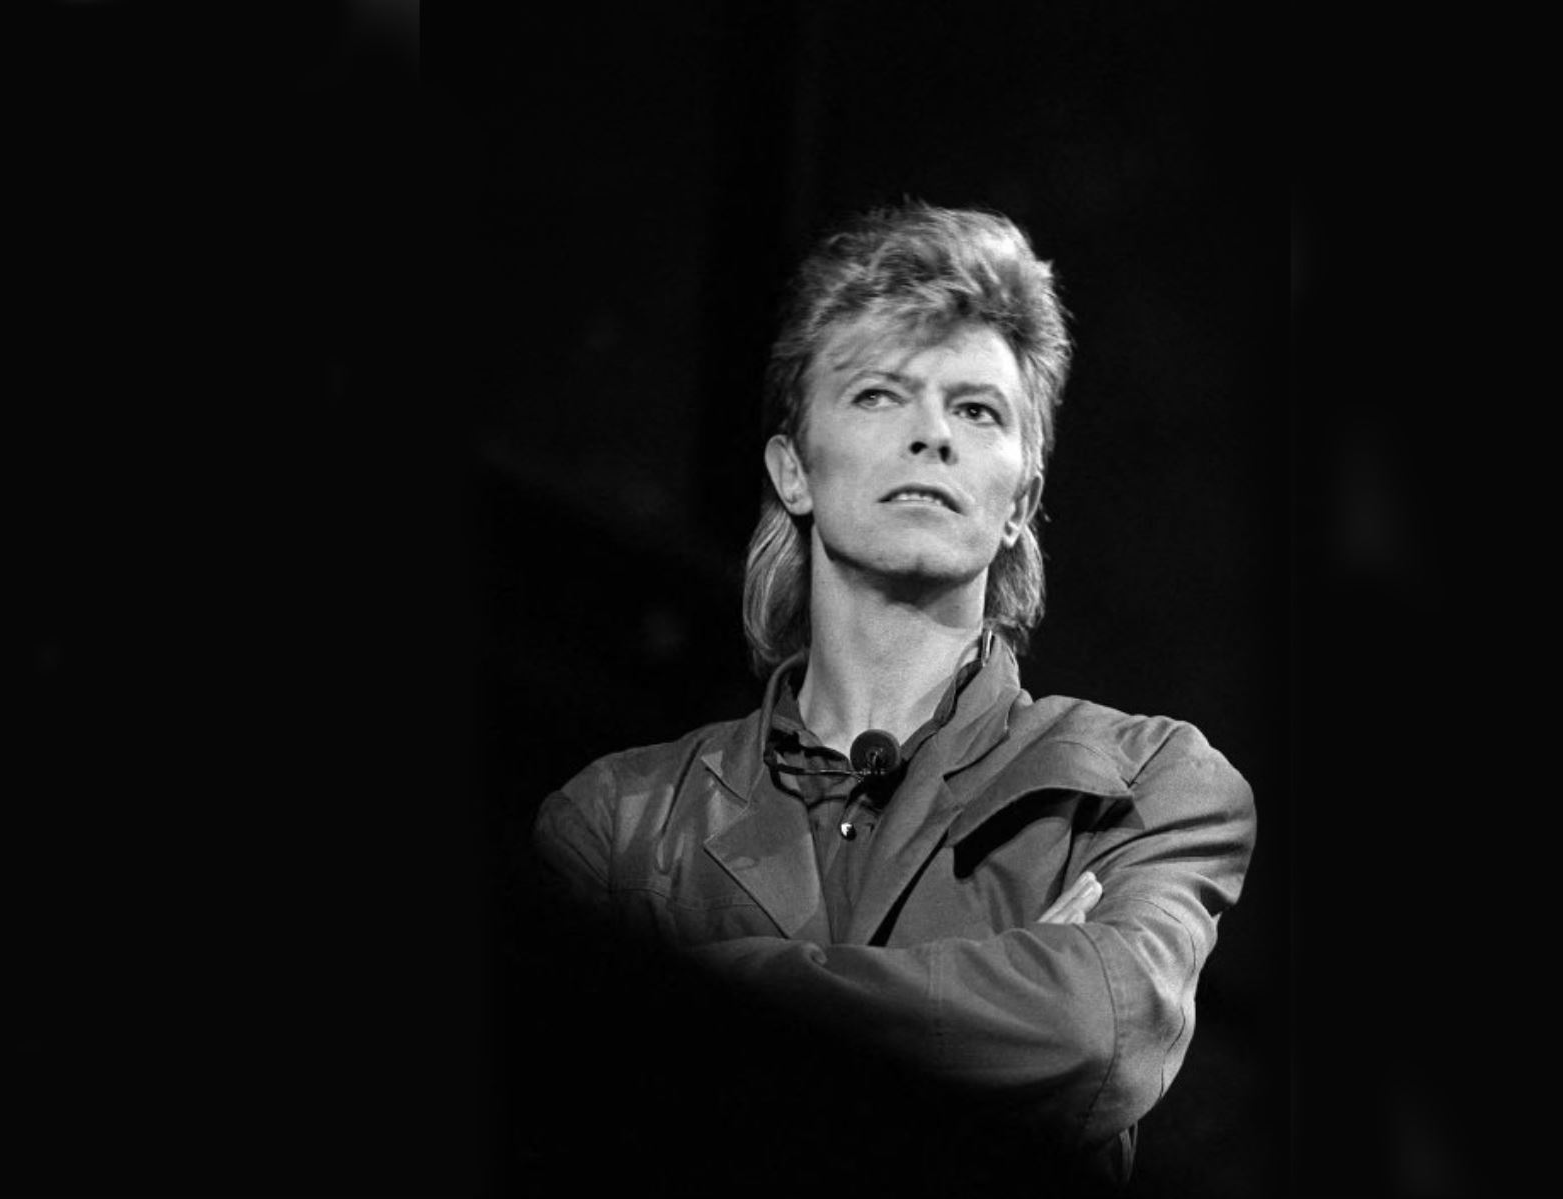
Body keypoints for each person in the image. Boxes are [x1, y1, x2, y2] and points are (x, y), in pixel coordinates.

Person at [532, 202, 1256, 1194]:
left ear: (1021, 501)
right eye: (880, 394)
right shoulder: (614, 821)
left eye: (977, 410)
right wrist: (996, 999)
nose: (932, 435)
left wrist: (694, 978)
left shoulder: (1144, 781)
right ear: (794, 468)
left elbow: (1098, 1025)